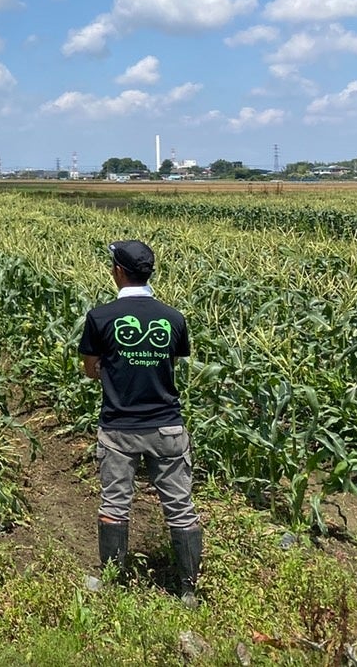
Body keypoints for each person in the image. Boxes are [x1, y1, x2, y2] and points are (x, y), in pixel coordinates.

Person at [79, 239, 202, 606]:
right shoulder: (174, 318)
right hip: (167, 427)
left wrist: (112, 368)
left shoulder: (100, 318)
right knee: (180, 507)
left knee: (115, 504)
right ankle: (188, 590)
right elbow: (170, 366)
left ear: (118, 271)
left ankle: (114, 584)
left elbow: (90, 369)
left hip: (119, 428)